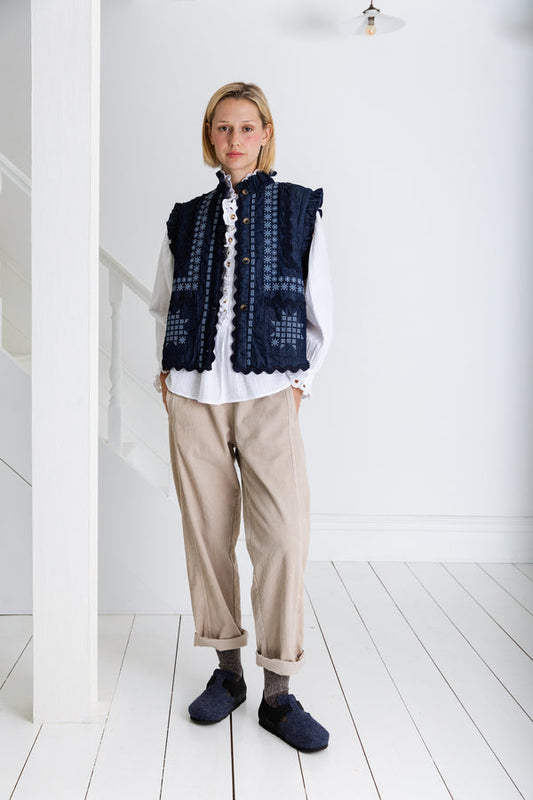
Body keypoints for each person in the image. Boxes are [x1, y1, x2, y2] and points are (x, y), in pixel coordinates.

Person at [149, 82, 333, 752]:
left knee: (282, 537)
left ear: (265, 133)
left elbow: (319, 304)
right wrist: (169, 376)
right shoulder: (184, 217)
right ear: (210, 135)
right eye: (222, 128)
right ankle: (227, 673)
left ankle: (278, 693)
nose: (234, 139)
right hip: (193, 395)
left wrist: (299, 384)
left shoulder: (299, 207)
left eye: (246, 127)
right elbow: (163, 302)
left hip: (269, 394)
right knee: (207, 537)